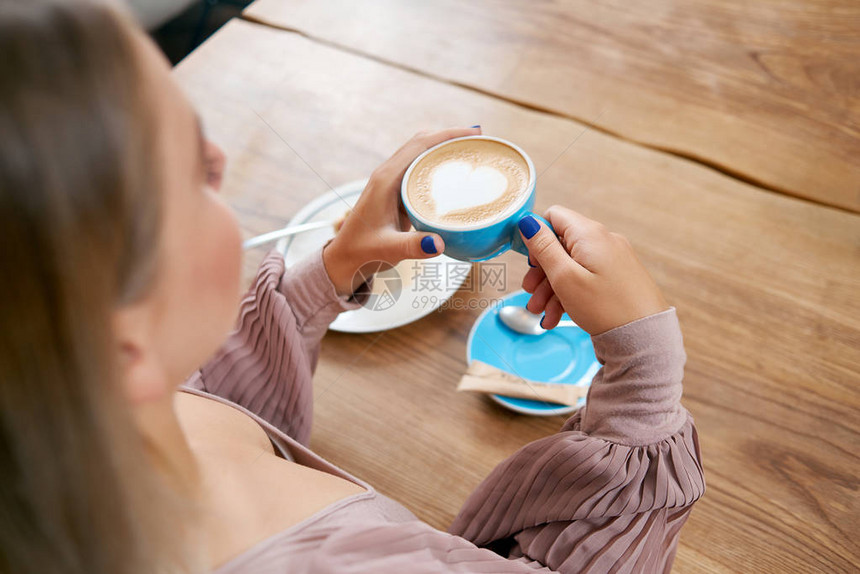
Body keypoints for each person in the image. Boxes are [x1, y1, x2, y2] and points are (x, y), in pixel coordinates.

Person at [0, 1, 704, 573]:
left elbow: (211, 395)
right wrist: (644, 377)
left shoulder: (88, 427)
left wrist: (335, 268)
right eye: (189, 173)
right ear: (122, 348)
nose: (219, 154)